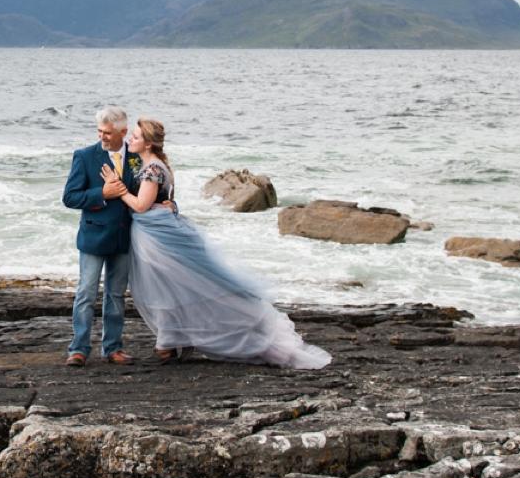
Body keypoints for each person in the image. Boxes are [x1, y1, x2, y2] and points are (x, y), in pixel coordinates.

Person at [103, 118, 330, 369]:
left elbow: (141, 205)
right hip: (158, 231)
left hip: (156, 237)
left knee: (166, 288)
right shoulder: (155, 165)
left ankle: (170, 341)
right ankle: (171, 339)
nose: (130, 140)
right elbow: (160, 199)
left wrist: (119, 189)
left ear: (148, 144)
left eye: (135, 137)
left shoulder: (152, 169)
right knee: (174, 287)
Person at [60, 105, 138, 366]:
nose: (102, 137)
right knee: (86, 292)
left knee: (116, 295)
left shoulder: (136, 159)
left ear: (123, 132)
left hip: (124, 238)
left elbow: (151, 191)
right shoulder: (84, 156)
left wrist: (169, 203)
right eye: (99, 131)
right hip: (93, 238)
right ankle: (78, 348)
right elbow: (70, 197)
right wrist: (102, 194)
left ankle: (113, 348)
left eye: (107, 132)